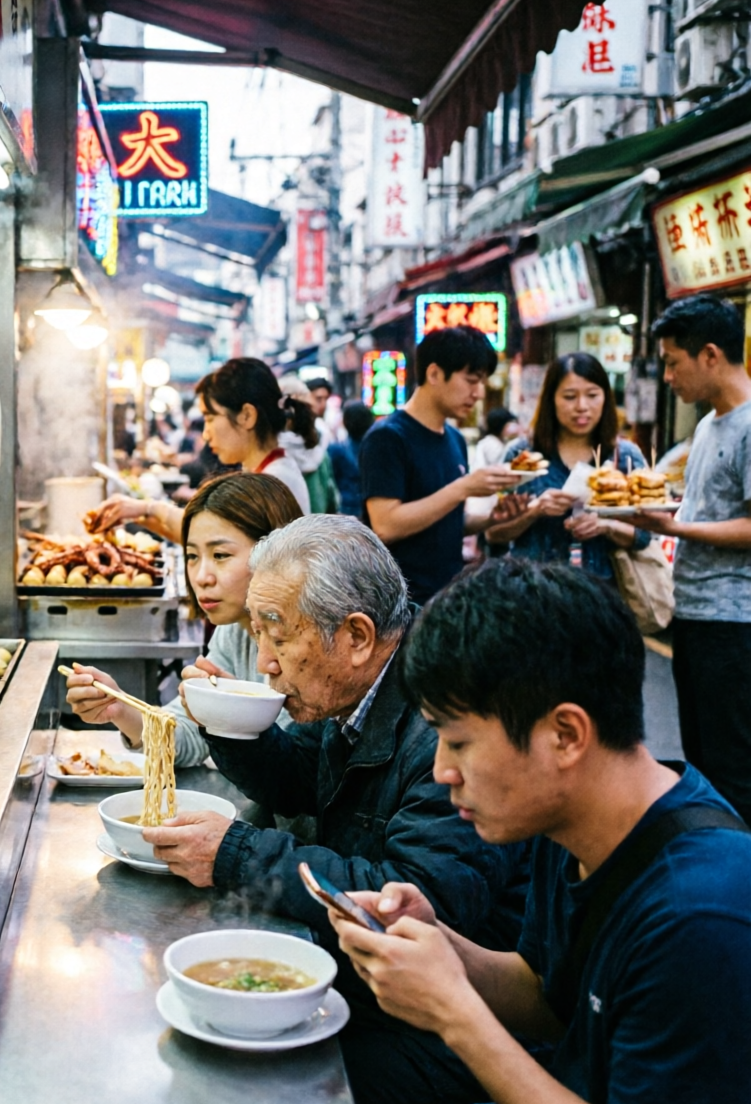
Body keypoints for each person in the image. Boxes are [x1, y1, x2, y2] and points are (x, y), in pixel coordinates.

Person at [330, 559, 751, 1104]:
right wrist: (443, 945)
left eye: (458, 742)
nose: (441, 771)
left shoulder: (699, 920)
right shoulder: (571, 822)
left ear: (566, 734)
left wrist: (454, 1014)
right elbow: (551, 999)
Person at [146, 514, 526, 1104]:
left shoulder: (444, 723)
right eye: (256, 634)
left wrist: (235, 852)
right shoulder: (357, 689)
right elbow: (300, 777)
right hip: (372, 981)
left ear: (356, 636)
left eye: (278, 635)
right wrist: (226, 721)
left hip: (442, 1027)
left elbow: (418, 902)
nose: (265, 662)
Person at [65, 473, 303, 768]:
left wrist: (236, 718)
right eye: (192, 556)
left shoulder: (307, 644)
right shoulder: (233, 633)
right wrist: (119, 707)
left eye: (220, 554)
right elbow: (189, 735)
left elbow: (300, 776)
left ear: (275, 552)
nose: (202, 577)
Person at [631, 294, 751, 822]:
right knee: (702, 757)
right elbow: (711, 509)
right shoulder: (708, 424)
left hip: (735, 622)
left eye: (674, 363)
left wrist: (673, 525)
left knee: (732, 762)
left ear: (709, 355)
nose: (670, 378)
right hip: (698, 615)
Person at [360, 325, 519, 602]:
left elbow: (447, 521)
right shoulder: (388, 437)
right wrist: (463, 488)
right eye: (471, 380)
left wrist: (491, 519)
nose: (479, 393)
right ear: (434, 373)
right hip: (400, 605)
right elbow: (385, 525)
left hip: (446, 597)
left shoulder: (454, 439)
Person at [89, 357, 314, 539]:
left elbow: (211, 535)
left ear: (246, 415)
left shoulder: (275, 482)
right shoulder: (264, 472)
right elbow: (211, 534)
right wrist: (143, 512)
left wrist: (148, 509)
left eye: (210, 418)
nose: (206, 434)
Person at [486, 353, 650, 579]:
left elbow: (644, 535)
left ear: (605, 397)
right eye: (570, 396)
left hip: (603, 597)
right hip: (534, 594)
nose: (582, 406)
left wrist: (606, 525)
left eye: (592, 395)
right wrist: (534, 511)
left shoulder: (625, 457)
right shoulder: (522, 456)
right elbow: (493, 533)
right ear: (551, 399)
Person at [280, 373, 339, 514]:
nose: (322, 404)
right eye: (318, 399)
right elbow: (331, 500)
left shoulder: (270, 452)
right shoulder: (320, 448)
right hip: (316, 529)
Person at [329, 400, 375, 519]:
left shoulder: (335, 450)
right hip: (371, 510)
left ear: (345, 422)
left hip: (344, 510)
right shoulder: (377, 450)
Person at [474, 405, 519, 469]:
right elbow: (499, 465)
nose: (511, 428)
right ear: (500, 426)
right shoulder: (491, 443)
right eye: (508, 425)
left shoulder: (498, 441)